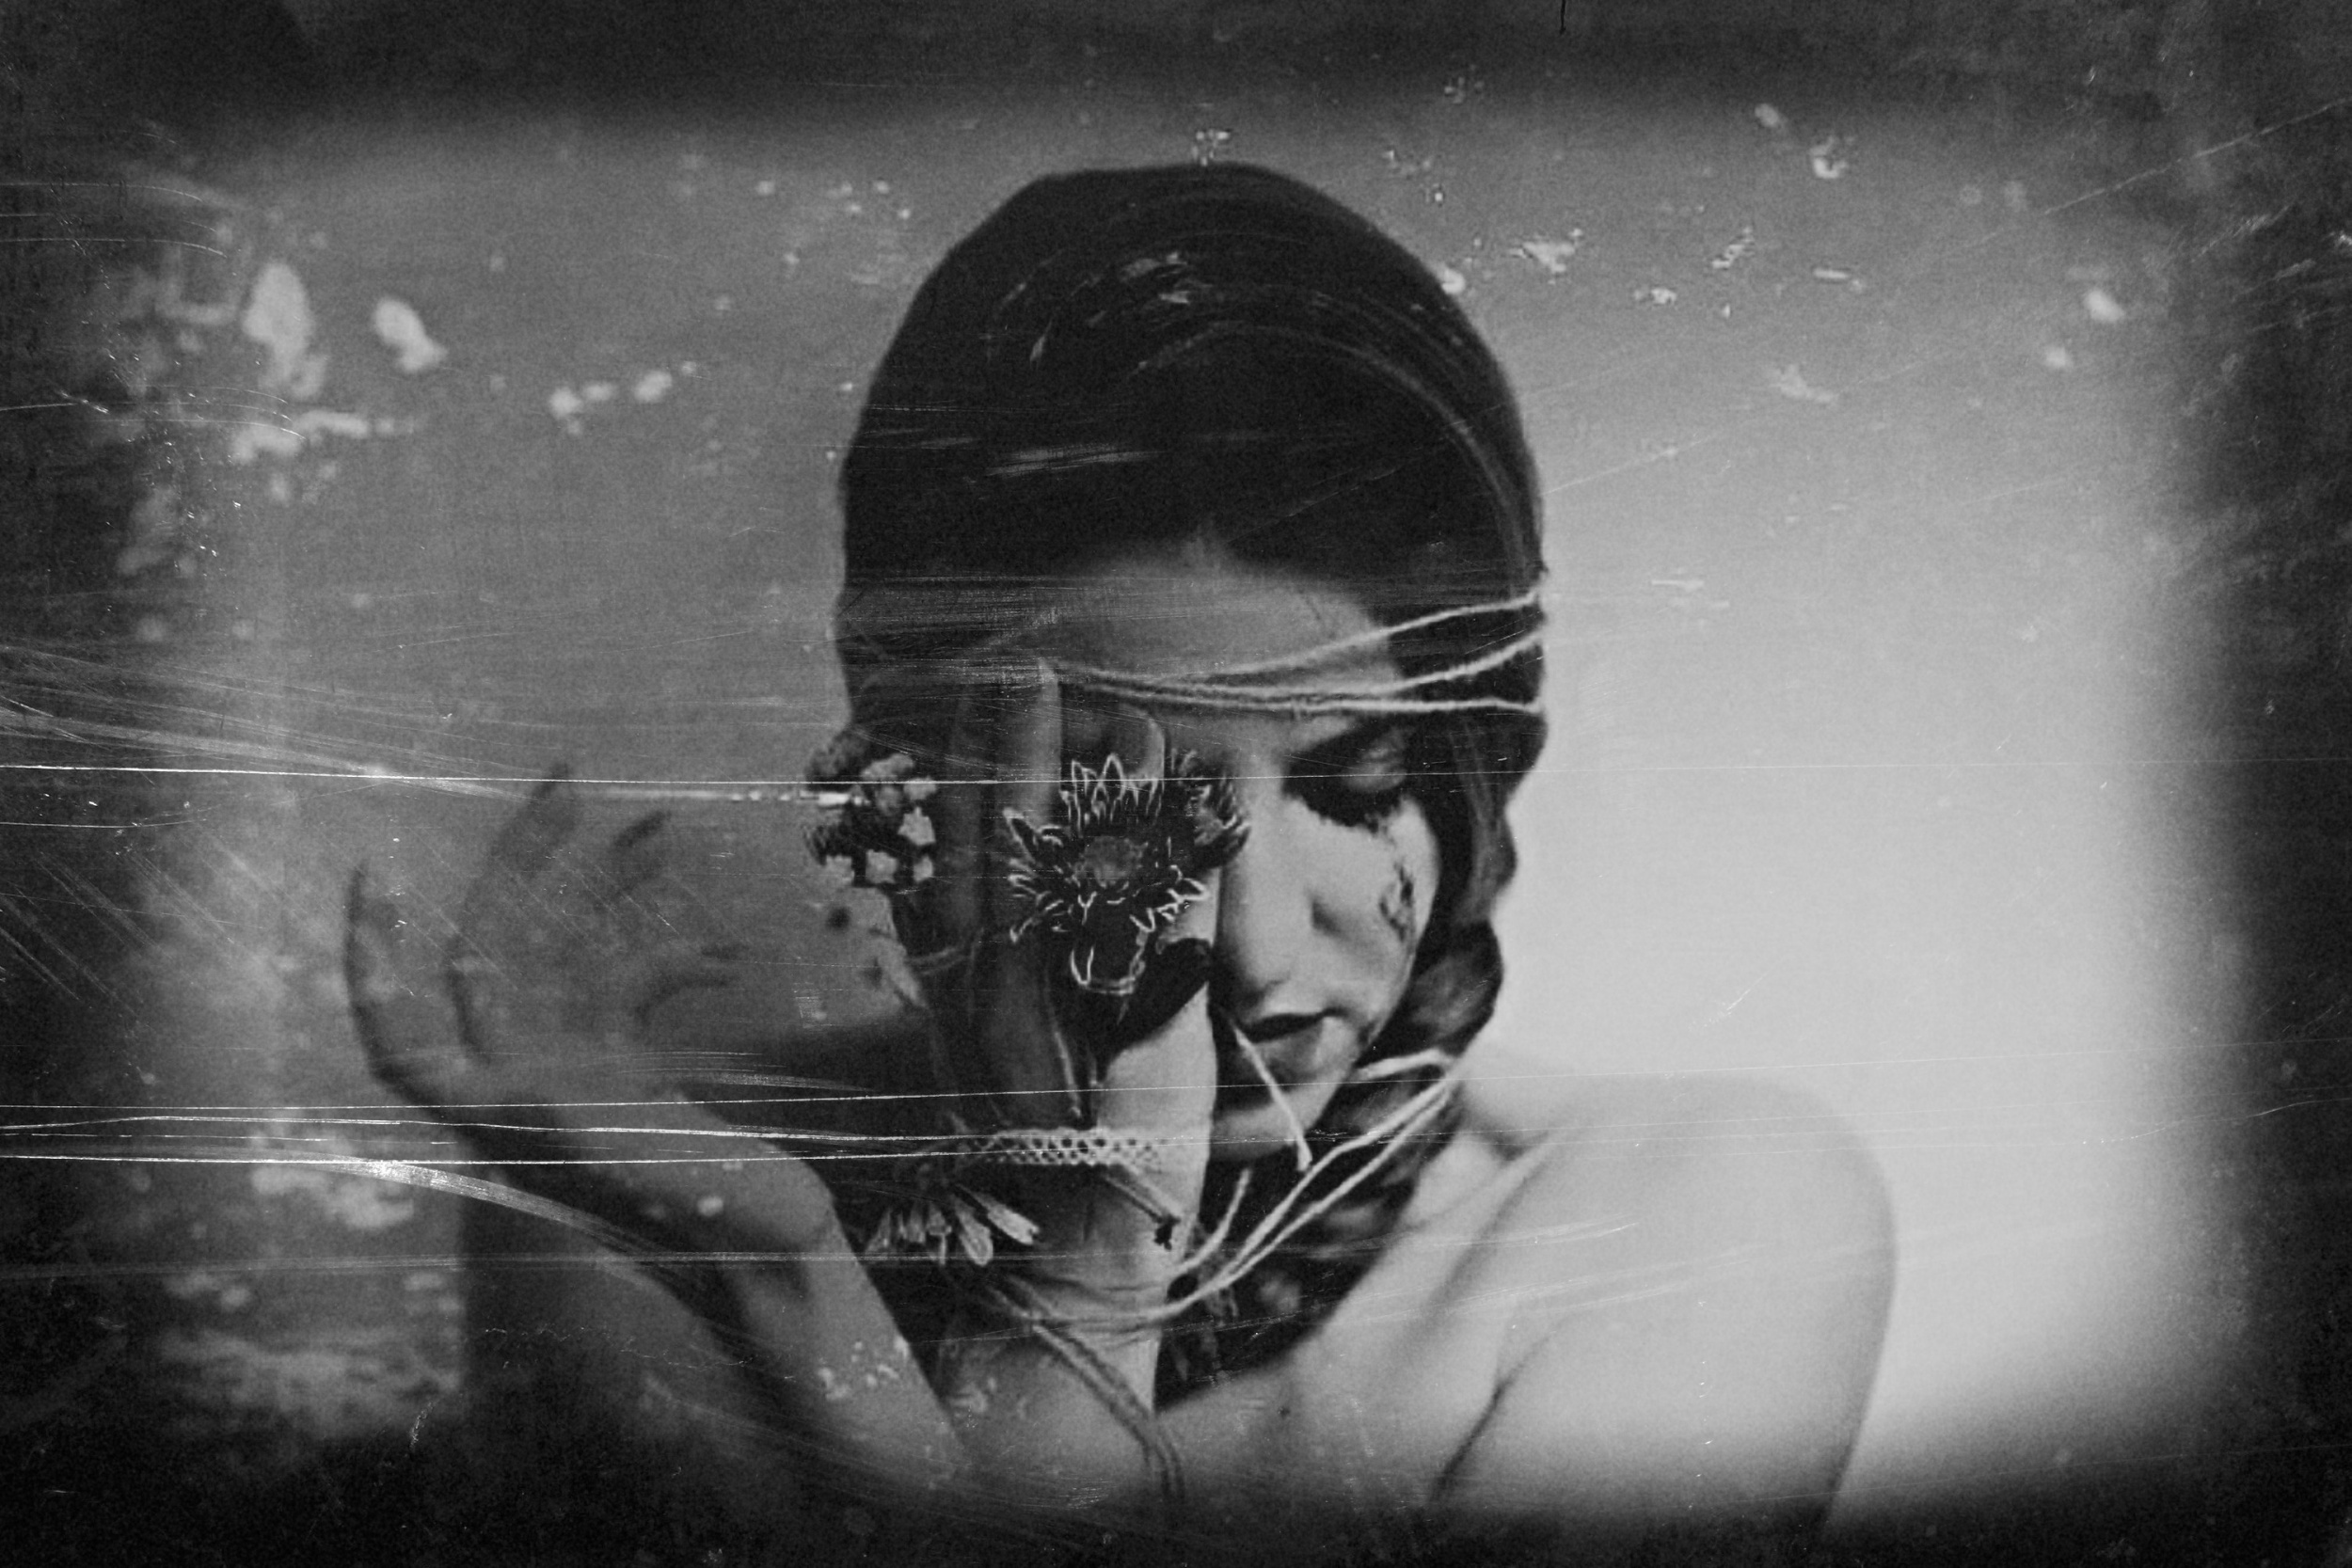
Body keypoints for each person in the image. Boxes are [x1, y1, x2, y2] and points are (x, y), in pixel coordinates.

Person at [346, 163, 1894, 1566]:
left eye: (1355, 791)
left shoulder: (1681, 1220)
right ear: (916, 779)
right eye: (1119, 812)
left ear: (1477, 779)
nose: (1256, 952)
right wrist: (790, 1249)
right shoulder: (654, 1197)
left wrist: (1011, 1283)